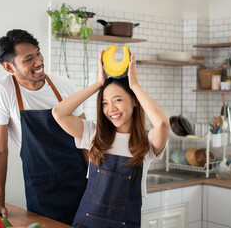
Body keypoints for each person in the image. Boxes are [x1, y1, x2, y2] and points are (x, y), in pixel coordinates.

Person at [0, 29, 88, 225]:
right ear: (9, 67)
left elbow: (85, 137)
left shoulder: (63, 85)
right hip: (42, 188)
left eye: (38, 53)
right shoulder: (2, 92)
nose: (39, 62)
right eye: (28, 59)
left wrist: (97, 182)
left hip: (80, 182)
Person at [52, 49, 170, 227]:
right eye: (105, 103)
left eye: (118, 100)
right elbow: (58, 113)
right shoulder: (93, 134)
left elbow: (161, 123)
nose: (111, 109)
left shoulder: (147, 142)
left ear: (134, 100)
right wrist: (98, 84)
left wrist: (135, 86)